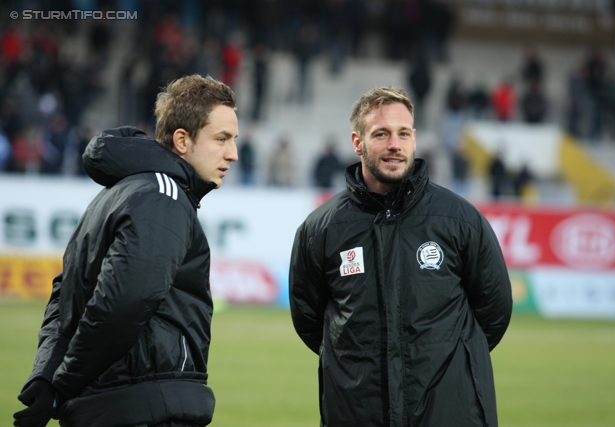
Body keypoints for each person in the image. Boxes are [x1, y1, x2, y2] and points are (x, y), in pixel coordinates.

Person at [13, 74, 239, 427]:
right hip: (144, 405)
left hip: (111, 404)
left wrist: (47, 375)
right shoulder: (163, 196)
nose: (233, 154)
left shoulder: (118, 193)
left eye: (234, 140)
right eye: (222, 139)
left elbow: (65, 294)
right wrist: (62, 382)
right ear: (182, 139)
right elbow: (124, 303)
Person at [289, 86, 512, 427]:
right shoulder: (322, 229)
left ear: (414, 139)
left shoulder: (460, 219)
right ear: (357, 142)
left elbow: (493, 312)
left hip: (450, 413)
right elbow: (310, 319)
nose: (394, 144)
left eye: (403, 134)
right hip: (357, 413)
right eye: (381, 134)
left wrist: (450, 364)